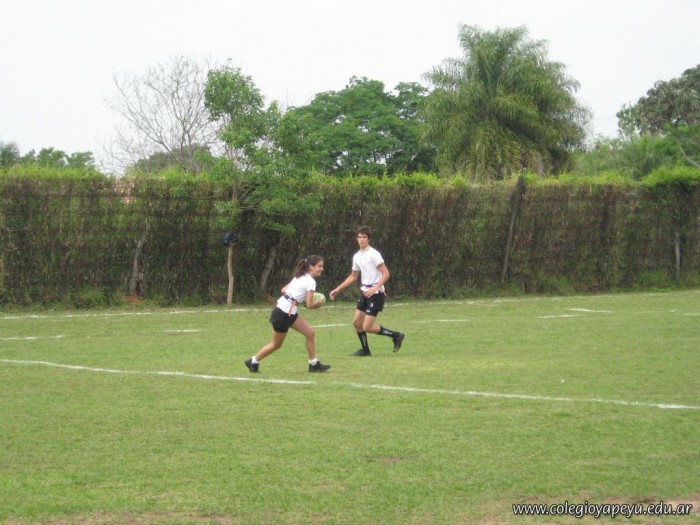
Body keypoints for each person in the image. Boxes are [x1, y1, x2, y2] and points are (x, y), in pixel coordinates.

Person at [245, 255, 331, 373]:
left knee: (310, 333)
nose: (322, 269)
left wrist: (297, 296)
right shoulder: (311, 281)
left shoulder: (299, 276)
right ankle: (253, 361)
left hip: (288, 310)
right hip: (284, 314)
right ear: (311, 267)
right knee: (276, 344)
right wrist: (318, 303)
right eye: (319, 266)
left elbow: (284, 290)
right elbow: (309, 305)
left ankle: (313, 364)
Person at [329, 226, 404, 356]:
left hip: (376, 293)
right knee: (357, 323)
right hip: (364, 292)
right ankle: (365, 350)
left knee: (367, 327)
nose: (361, 239)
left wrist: (375, 288)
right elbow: (353, 276)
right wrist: (338, 289)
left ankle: (396, 335)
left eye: (364, 237)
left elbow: (386, 273)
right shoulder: (357, 256)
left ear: (369, 239)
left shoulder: (374, 254)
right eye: (359, 237)